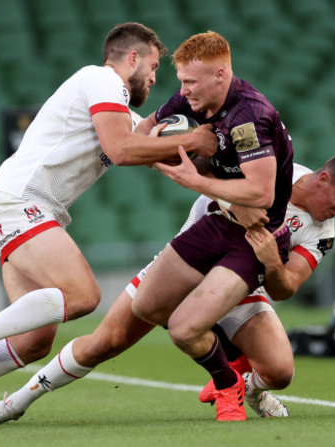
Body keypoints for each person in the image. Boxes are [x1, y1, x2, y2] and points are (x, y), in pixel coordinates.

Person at [0, 22, 219, 432]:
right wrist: (190, 141)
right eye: (152, 66)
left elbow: (152, 146)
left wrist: (210, 146)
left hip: (20, 206)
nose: (154, 77)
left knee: (33, 343)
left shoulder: (116, 108)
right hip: (21, 202)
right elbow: (122, 148)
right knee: (82, 295)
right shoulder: (101, 80)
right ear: (131, 58)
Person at [0, 150, 335, 427]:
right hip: (183, 270)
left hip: (242, 285)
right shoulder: (269, 173)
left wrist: (270, 261)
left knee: (281, 372)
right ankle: (13, 405)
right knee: (104, 343)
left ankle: (244, 389)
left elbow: (288, 286)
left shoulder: (322, 230)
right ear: (322, 179)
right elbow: (209, 176)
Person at [129, 31, 294, 421]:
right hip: (220, 219)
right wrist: (184, 144)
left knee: (184, 330)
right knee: (147, 305)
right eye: (181, 81)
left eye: (191, 82)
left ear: (220, 76)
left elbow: (261, 193)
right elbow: (135, 143)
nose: (182, 91)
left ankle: (227, 386)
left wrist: (194, 179)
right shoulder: (189, 100)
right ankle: (229, 373)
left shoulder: (250, 115)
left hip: (256, 236)